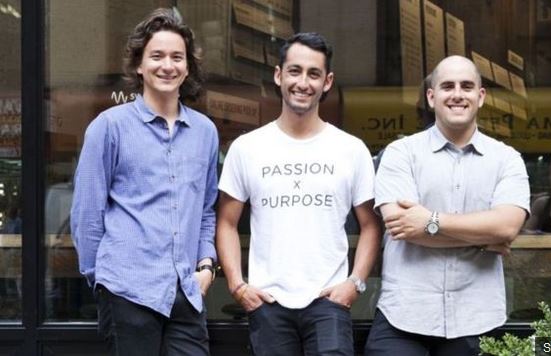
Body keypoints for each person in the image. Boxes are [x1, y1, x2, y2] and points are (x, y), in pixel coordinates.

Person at [216, 32, 380, 356]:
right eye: (294, 71)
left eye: (313, 74)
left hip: (328, 302)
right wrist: (238, 286)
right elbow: (226, 223)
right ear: (279, 76)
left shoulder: (351, 149)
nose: (303, 82)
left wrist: (354, 284)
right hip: (267, 303)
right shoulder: (247, 148)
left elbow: (372, 225)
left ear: (327, 81)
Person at [70, 8, 218, 355]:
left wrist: (206, 265)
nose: (167, 65)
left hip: (186, 294)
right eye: (157, 56)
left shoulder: (205, 133)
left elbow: (206, 209)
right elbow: (87, 214)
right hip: (127, 291)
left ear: (187, 66)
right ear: (139, 65)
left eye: (177, 57)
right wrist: (103, 282)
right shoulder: (109, 128)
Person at [365, 55, 530, 356]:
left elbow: (507, 226)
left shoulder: (507, 159)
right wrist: (483, 239)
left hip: (477, 320)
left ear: (480, 97)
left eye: (467, 86)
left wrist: (431, 221)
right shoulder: (400, 153)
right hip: (403, 318)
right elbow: (403, 227)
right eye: (447, 86)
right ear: (431, 97)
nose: (457, 94)